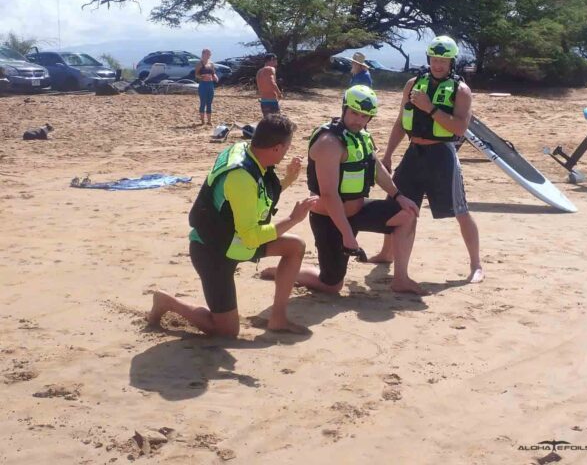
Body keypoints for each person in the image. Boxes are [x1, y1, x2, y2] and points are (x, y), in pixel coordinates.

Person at [147, 114, 318, 337]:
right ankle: (167, 301)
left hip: (234, 241)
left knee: (295, 246)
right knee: (226, 331)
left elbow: (254, 200)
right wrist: (293, 219)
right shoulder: (241, 176)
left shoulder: (248, 152)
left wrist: (287, 180)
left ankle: (278, 318)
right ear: (276, 148)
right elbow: (251, 237)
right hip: (213, 251)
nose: (286, 152)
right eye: (286, 148)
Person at [261, 85, 423, 295]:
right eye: (354, 113)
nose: (358, 120)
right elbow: (328, 194)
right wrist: (347, 235)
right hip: (330, 219)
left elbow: (376, 167)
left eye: (364, 116)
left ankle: (401, 279)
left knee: (407, 214)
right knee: (331, 285)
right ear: (344, 109)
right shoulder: (329, 143)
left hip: (357, 211)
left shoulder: (361, 136)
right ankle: (288, 272)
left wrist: (398, 196)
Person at [369, 35, 484, 284]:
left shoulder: (461, 91)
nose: (438, 64)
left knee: (460, 210)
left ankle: (476, 265)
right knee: (397, 204)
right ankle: (386, 253)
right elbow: (401, 122)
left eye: (443, 60)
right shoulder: (413, 84)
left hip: (442, 155)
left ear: (451, 61)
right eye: (434, 59)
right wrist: (388, 154)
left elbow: (460, 128)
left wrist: (430, 107)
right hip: (413, 153)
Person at [195, 48, 218, 125]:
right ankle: (202, 121)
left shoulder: (211, 64)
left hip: (210, 84)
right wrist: (201, 77)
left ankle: (209, 121)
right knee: (203, 102)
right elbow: (196, 75)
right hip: (203, 84)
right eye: (207, 54)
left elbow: (213, 73)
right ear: (203, 54)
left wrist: (215, 77)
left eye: (209, 54)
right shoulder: (199, 64)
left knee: (209, 102)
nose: (209, 55)